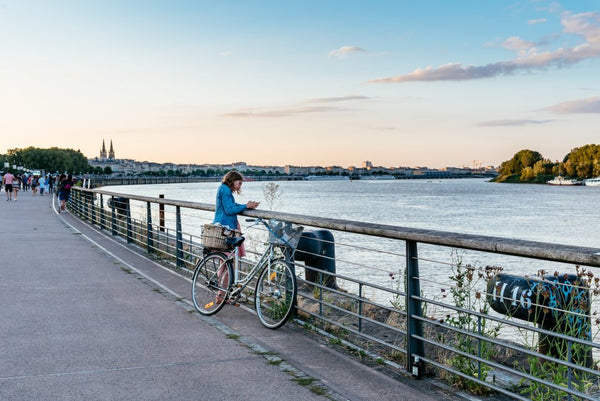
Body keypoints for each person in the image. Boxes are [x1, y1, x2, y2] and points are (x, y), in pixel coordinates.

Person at [212, 170, 259, 303]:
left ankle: (221, 295)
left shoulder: (224, 189)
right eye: (239, 183)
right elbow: (229, 209)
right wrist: (245, 206)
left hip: (226, 227)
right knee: (229, 264)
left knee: (225, 263)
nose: (240, 186)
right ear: (232, 180)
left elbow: (231, 206)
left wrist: (248, 206)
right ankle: (221, 296)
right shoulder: (225, 190)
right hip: (226, 229)